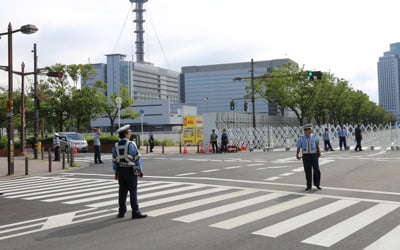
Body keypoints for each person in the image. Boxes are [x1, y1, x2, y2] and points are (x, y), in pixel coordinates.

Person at [112, 124, 147, 219]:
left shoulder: (115, 146)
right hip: (131, 171)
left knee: (122, 192)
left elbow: (114, 161)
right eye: (129, 132)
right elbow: (137, 159)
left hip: (121, 171)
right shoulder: (131, 144)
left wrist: (116, 173)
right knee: (133, 191)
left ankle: (121, 212)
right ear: (126, 134)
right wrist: (140, 171)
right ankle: (135, 212)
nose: (130, 134)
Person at [296, 124, 322, 191]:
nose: (310, 131)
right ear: (305, 131)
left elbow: (317, 145)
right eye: (309, 130)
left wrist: (319, 152)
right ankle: (308, 186)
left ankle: (317, 184)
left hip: (314, 155)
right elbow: (298, 147)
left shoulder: (314, 137)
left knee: (317, 170)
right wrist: (297, 154)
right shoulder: (301, 138)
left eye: (310, 129)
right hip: (306, 156)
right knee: (308, 171)